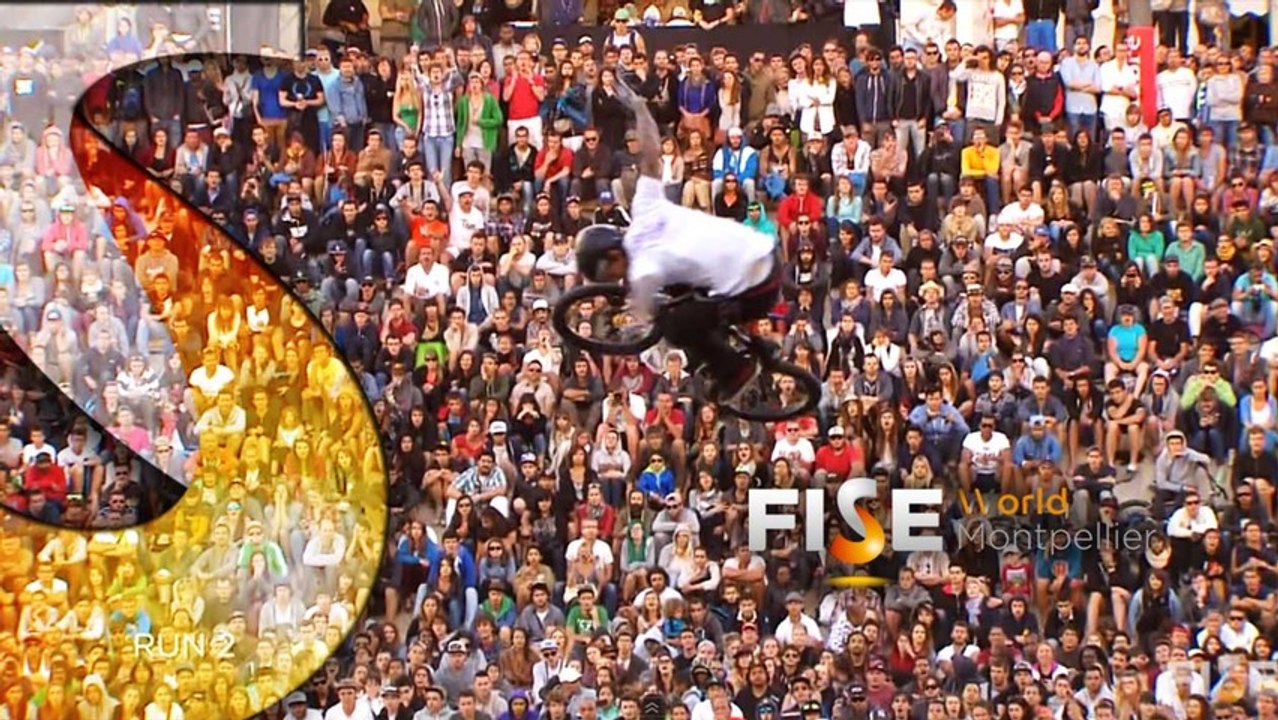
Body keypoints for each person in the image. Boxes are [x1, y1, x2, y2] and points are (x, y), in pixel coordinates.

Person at [570, 81, 781, 404]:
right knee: (681, 290)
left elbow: (642, 318)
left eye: (609, 274)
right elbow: (652, 152)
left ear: (614, 255)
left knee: (674, 325)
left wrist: (629, 328)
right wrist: (640, 109)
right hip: (762, 252)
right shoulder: (644, 207)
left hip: (757, 289)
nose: (613, 281)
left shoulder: (643, 269)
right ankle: (748, 341)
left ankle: (734, 369)